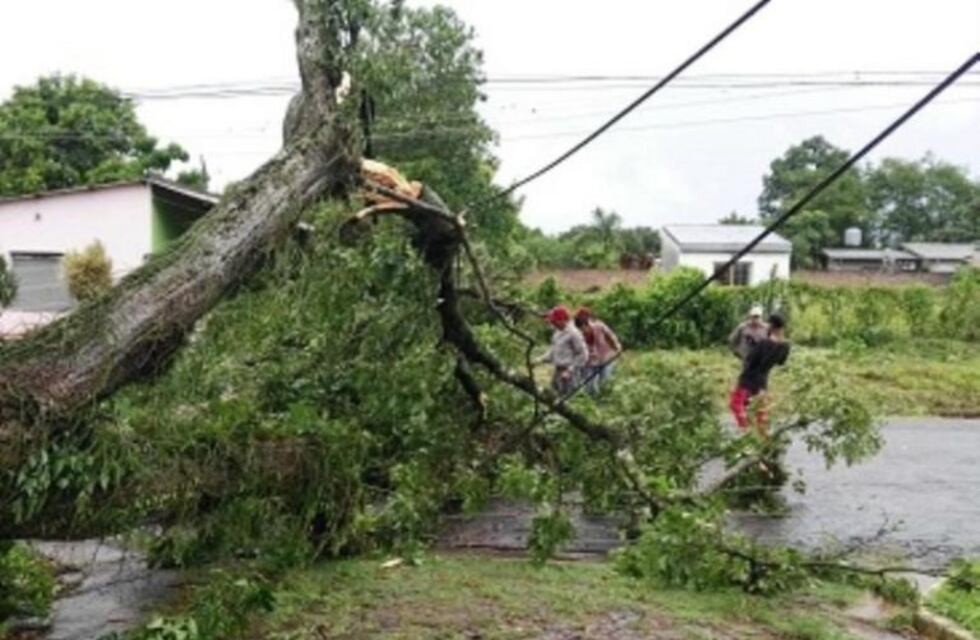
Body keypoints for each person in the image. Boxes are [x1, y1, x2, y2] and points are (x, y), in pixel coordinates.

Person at [728, 313, 791, 437]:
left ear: (771, 326)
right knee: (761, 413)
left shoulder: (763, 343)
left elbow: (750, 360)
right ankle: (763, 439)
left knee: (735, 405)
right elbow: (781, 362)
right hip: (763, 381)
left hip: (747, 379)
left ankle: (747, 431)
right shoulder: (785, 346)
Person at [534, 305, 589, 395]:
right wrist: (539, 360)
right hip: (558, 371)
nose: (553, 323)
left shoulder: (574, 333)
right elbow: (553, 352)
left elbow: (583, 354)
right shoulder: (557, 333)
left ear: (563, 319)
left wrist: (569, 371)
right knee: (553, 395)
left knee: (569, 398)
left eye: (555, 321)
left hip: (570, 373)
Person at [574, 307, 622, 395]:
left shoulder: (599, 327)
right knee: (590, 387)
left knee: (604, 382)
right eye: (580, 330)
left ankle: (605, 400)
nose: (583, 332)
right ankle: (593, 401)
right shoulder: (576, 335)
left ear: (587, 325)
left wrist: (617, 348)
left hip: (606, 358)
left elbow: (610, 337)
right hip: (589, 363)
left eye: (584, 329)